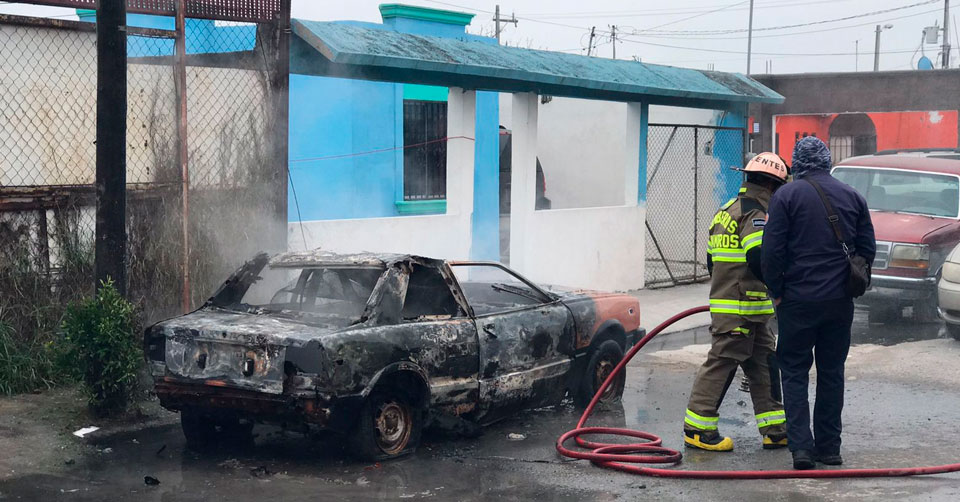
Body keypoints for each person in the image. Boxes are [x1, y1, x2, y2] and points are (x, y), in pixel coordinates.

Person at [761, 137, 876, 470]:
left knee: (794, 371)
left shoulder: (785, 196)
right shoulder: (853, 196)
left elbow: (771, 252)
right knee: (831, 372)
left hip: (797, 300)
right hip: (839, 302)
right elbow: (867, 250)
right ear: (827, 161)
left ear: (797, 163)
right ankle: (829, 449)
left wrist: (776, 291)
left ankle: (801, 449)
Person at [683, 152, 789, 452]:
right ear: (772, 186)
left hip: (746, 309)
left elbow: (710, 262)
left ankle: (775, 430)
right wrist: (780, 287)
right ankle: (697, 429)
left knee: (764, 364)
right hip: (741, 309)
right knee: (722, 363)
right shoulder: (755, 213)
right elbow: (758, 256)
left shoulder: (725, 211)